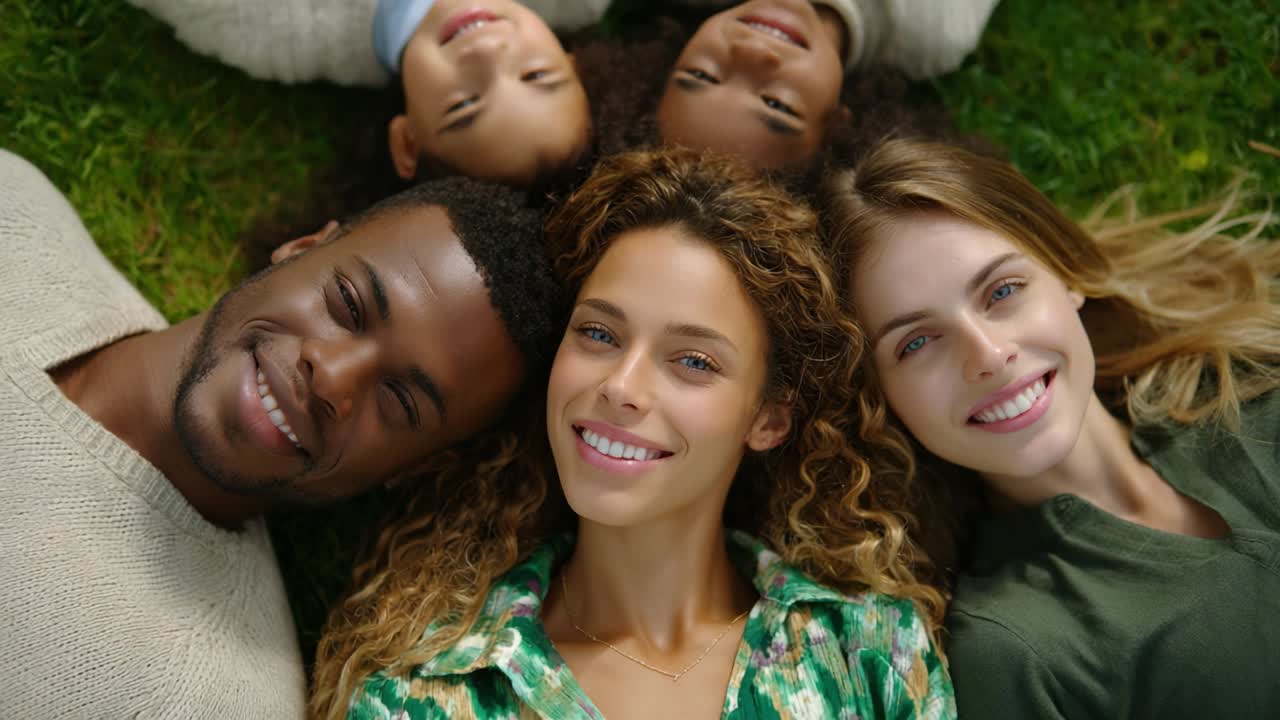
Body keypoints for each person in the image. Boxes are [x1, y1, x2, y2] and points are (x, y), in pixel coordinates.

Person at [312, 147, 956, 720]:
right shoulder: (423, 693)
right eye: (598, 334)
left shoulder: (874, 655)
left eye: (694, 362)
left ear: (768, 419)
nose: (622, 385)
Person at [0, 149, 565, 718]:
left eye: (398, 401)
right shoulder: (15, 217)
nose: (331, 375)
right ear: (303, 247)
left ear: (410, 468)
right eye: (347, 303)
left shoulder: (207, 698)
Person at [820, 137, 1280, 718]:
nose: (986, 354)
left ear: (1064, 276)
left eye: (1002, 291)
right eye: (916, 342)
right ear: (883, 399)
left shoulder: (1256, 390)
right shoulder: (1020, 651)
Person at [657, 0, 999, 169]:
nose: (754, 51)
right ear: (836, 122)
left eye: (702, 74)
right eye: (777, 103)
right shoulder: (933, 29)